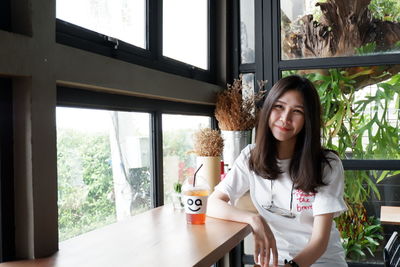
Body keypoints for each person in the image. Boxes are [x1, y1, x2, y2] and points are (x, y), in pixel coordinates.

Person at [207, 75, 347, 267]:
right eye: (279, 107)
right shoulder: (251, 156)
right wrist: (254, 219)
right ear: (268, 109)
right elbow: (213, 203)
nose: (285, 118)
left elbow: (319, 243)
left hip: (320, 261)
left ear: (308, 120)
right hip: (274, 260)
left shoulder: (327, 165)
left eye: (297, 111)